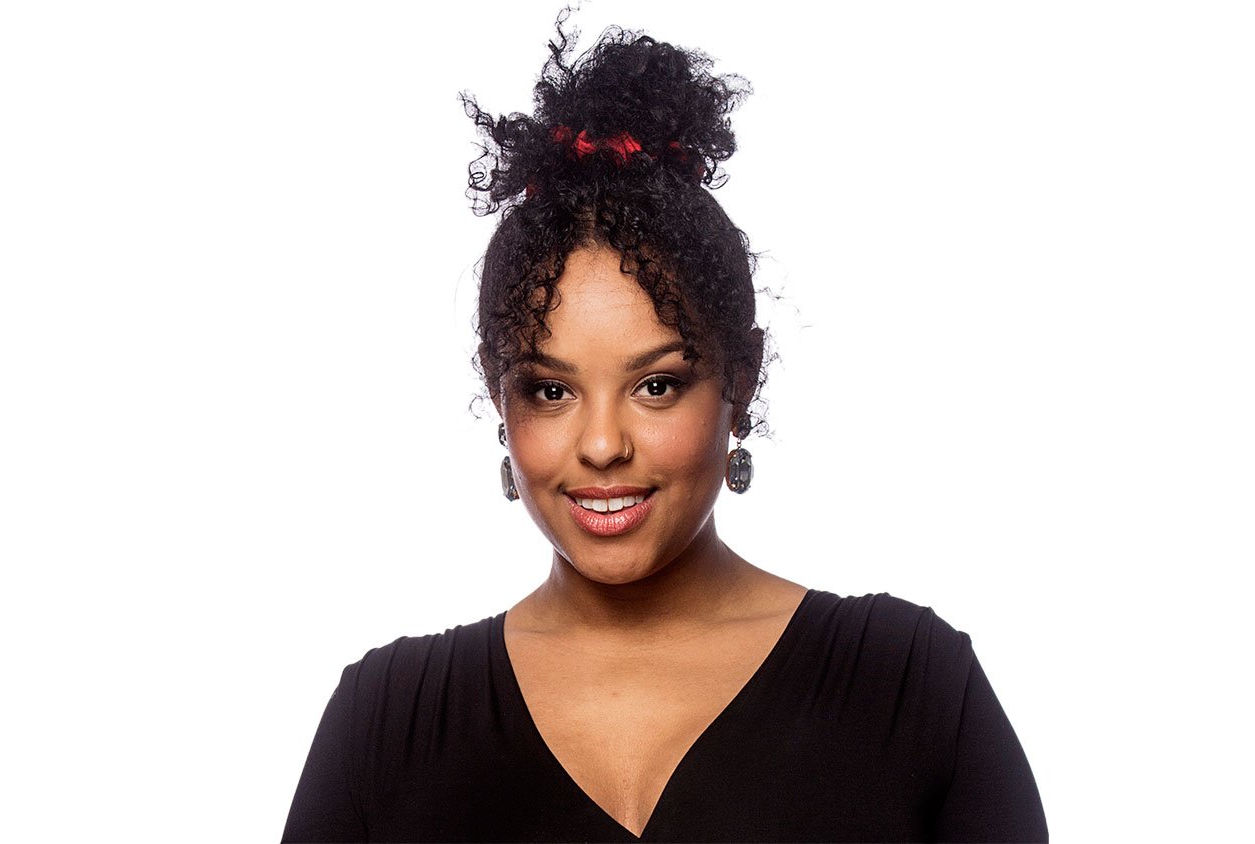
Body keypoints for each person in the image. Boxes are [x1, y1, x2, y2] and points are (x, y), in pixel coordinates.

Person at [282, 16, 1046, 843]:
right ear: (498, 396)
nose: (602, 444)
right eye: (549, 391)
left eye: (656, 385)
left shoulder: (910, 689)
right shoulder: (384, 724)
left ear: (740, 379)